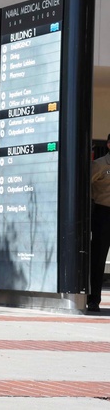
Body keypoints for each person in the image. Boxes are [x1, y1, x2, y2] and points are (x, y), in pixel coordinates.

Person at [89, 133, 110, 313]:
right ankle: (94, 300)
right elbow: (84, 186)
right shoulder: (100, 165)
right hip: (104, 214)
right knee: (98, 259)